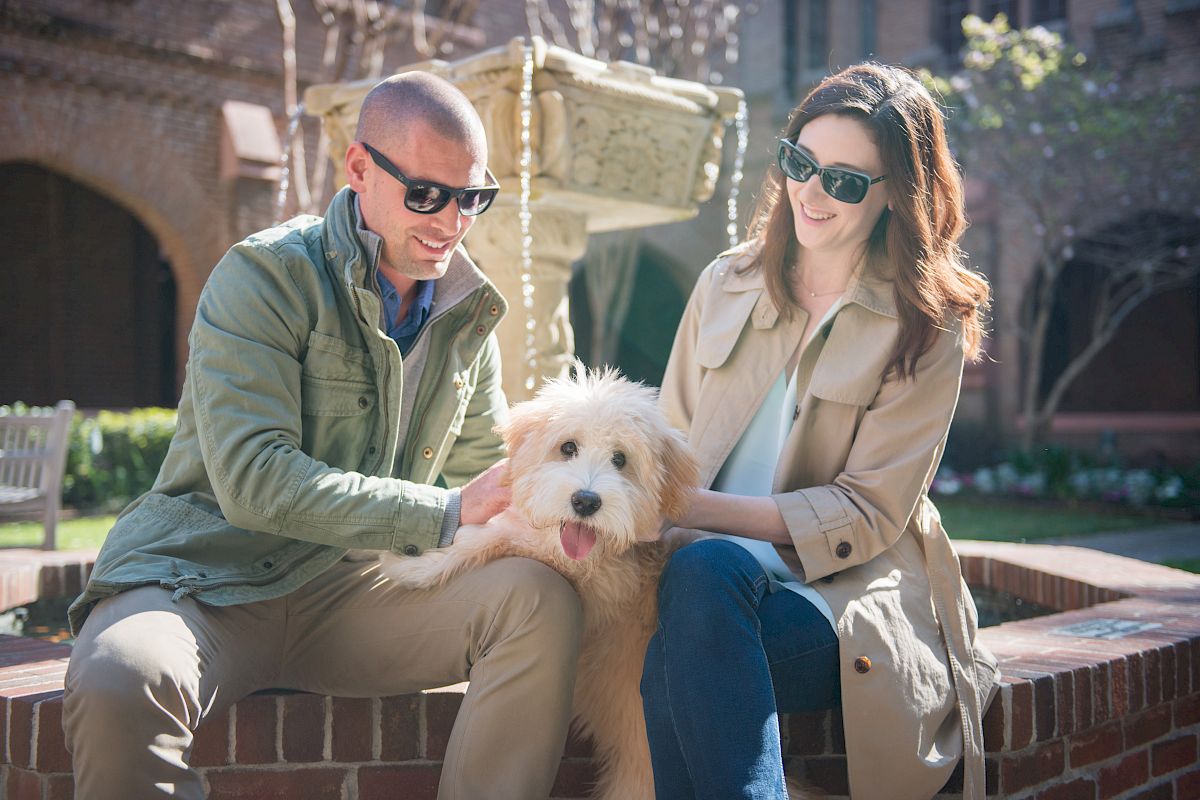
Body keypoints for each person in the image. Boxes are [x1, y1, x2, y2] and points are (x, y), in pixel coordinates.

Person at [62, 72, 583, 800]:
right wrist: (443, 510)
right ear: (359, 168)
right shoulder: (265, 276)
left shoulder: (469, 317)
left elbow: (485, 487)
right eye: (426, 194)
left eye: (471, 198)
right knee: (121, 675)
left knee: (538, 601)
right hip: (204, 581)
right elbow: (254, 479)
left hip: (353, 596)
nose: (451, 221)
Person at [641, 63, 1000, 800]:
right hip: (700, 580)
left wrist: (691, 510)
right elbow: (664, 444)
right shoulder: (724, 283)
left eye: (843, 181)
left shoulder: (926, 324)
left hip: (836, 596)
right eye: (800, 163)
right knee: (699, 584)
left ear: (896, 195)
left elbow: (868, 511)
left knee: (678, 650)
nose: (810, 192)